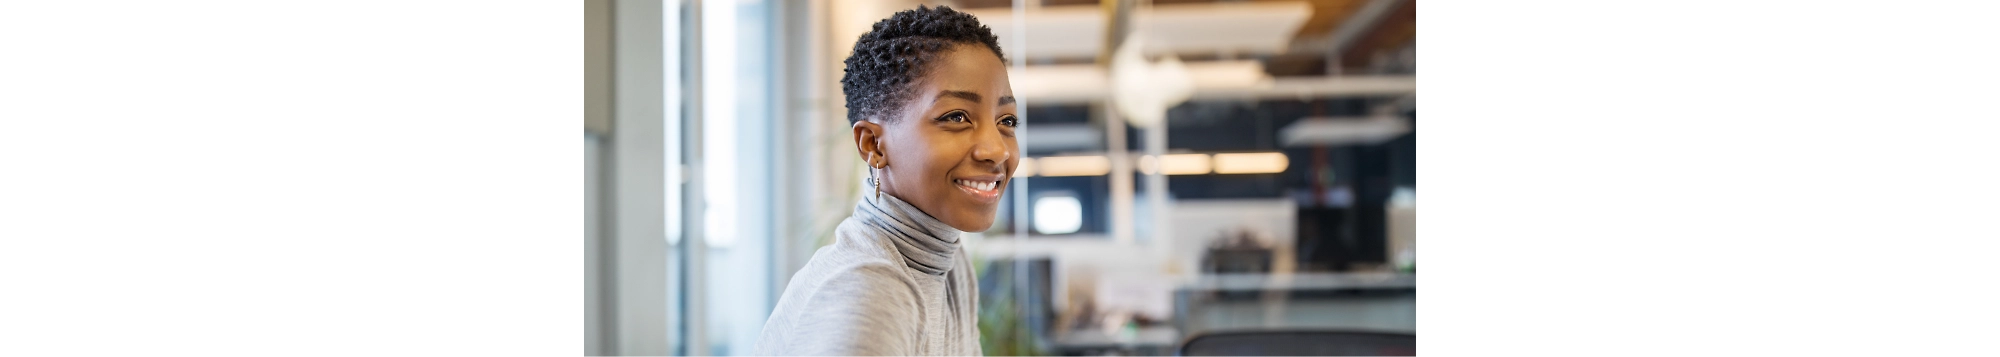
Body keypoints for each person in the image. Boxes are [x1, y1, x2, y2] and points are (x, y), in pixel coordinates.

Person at [753, 5, 1017, 356]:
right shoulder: (868, 290)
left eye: (1007, 121)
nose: (997, 150)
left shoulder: (951, 265)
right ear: (874, 145)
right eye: (957, 116)